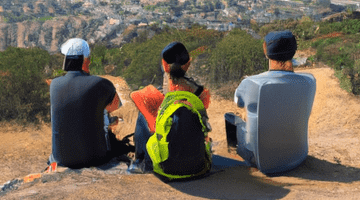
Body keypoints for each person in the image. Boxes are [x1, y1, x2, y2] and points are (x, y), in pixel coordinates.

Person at [225, 30, 316, 174]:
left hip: (259, 161)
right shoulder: (310, 81)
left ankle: (235, 155)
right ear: (293, 51)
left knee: (230, 117)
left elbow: (238, 102)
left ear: (265, 49)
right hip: (298, 157)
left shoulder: (251, 82)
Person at [129, 41, 210, 176]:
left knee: (143, 115)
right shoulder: (201, 93)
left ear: (165, 65)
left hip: (166, 166)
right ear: (188, 64)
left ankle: (139, 162)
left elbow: (135, 97)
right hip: (198, 165)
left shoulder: (153, 95)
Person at [49, 38, 121, 169]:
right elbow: (115, 107)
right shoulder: (101, 83)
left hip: (60, 158)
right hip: (94, 158)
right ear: (86, 60)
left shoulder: (54, 84)